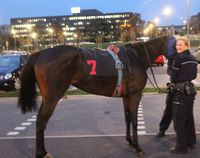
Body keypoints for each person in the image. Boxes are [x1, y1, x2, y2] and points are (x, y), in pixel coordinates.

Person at [169, 36, 198, 154]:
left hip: (181, 91)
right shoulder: (193, 58)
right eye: (177, 44)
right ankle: (190, 142)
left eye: (181, 45)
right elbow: (194, 75)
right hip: (190, 91)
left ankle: (181, 147)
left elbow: (174, 76)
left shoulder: (178, 58)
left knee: (178, 119)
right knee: (188, 117)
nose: (178, 47)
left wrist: (173, 81)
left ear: (187, 45)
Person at [156, 34, 176, 138]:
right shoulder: (172, 59)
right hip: (173, 86)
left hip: (181, 88)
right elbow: (169, 71)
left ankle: (184, 135)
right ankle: (162, 130)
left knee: (182, 113)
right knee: (168, 110)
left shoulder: (182, 57)